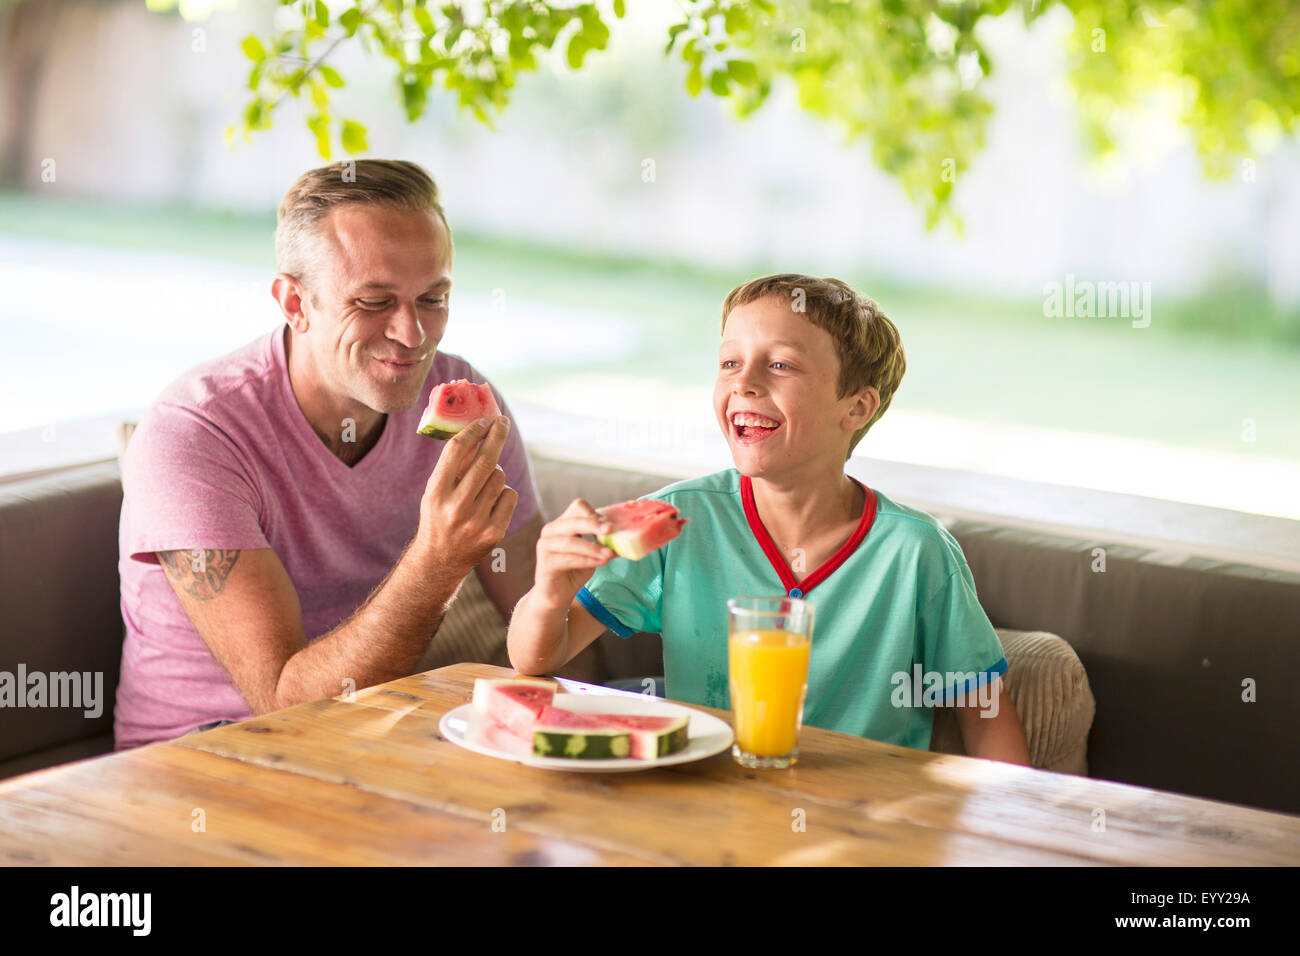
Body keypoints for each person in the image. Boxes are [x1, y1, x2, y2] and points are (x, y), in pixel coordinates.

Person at [506, 274, 1030, 763]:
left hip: (863, 820)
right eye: (730, 363)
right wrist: (551, 593)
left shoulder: (916, 551)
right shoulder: (680, 519)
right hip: (709, 800)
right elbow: (534, 660)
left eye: (780, 365)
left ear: (856, 408)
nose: (745, 383)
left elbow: (985, 718)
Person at [115, 159, 543, 749]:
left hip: (380, 741)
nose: (414, 335)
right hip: (211, 755)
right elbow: (283, 702)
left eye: (433, 298)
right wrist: (437, 561)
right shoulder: (194, 435)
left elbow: (543, 623)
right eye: (373, 302)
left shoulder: (462, 395)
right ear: (295, 302)